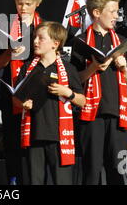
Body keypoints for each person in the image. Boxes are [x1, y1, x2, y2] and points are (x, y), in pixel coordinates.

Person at [71, 0, 127, 185]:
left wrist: (123, 69)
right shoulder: (80, 41)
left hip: (118, 113)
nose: (117, 16)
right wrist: (93, 68)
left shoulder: (121, 41)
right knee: (92, 168)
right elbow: (75, 80)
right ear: (97, 13)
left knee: (121, 168)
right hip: (92, 114)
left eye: (117, 11)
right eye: (113, 11)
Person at [15, 21, 85, 185]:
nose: (35, 42)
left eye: (41, 38)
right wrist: (23, 103)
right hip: (34, 135)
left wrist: (68, 92)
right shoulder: (28, 67)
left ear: (55, 43)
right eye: (34, 38)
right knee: (34, 181)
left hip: (59, 137)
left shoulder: (68, 69)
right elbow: (16, 98)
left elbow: (82, 101)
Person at [0, 0, 43, 185]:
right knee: (13, 144)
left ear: (37, 2)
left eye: (28, 3)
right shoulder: (5, 27)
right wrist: (9, 53)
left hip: (38, 95)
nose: (23, 7)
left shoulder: (45, 27)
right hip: (11, 94)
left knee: (35, 145)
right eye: (20, 2)